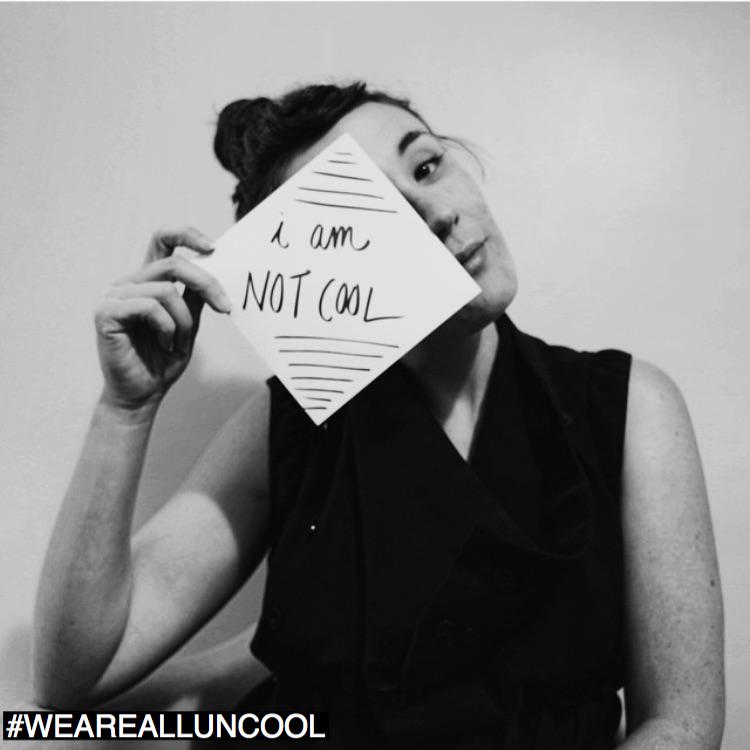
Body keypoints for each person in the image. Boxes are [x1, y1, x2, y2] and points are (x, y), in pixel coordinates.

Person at [32, 82, 725, 749]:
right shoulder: (288, 423)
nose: (439, 212)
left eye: (427, 165)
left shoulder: (629, 406)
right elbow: (74, 675)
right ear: (323, 271)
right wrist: (126, 409)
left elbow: (683, 723)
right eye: (374, 214)